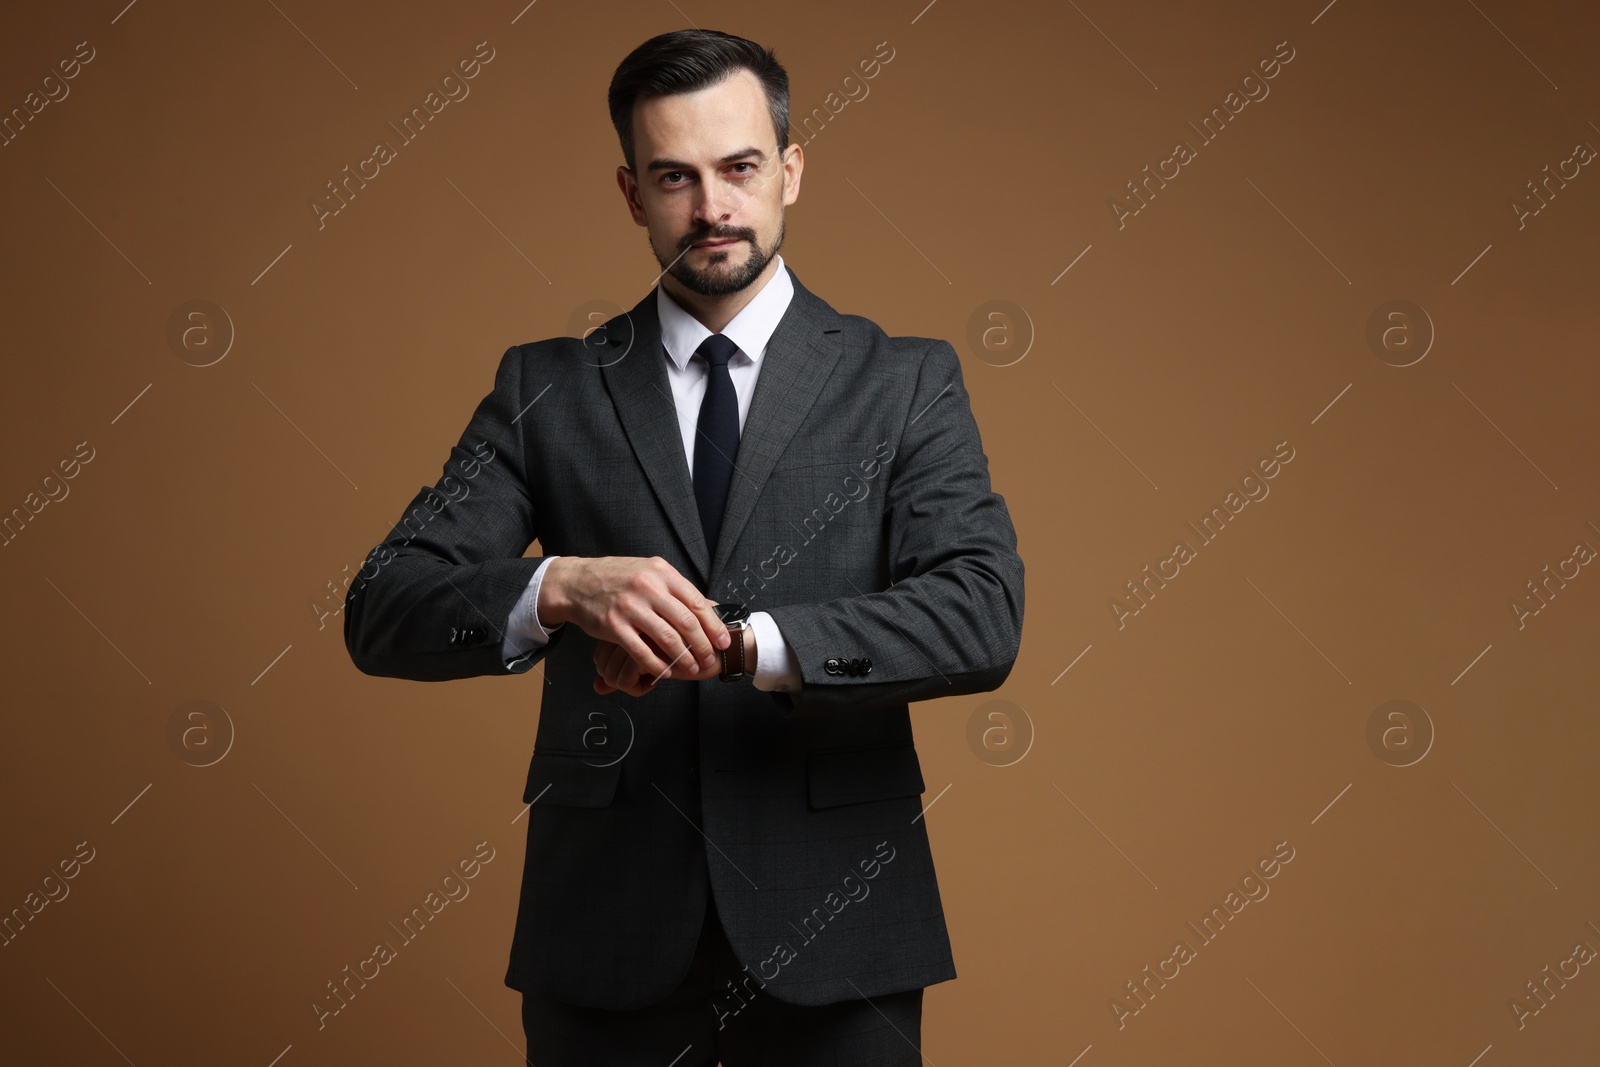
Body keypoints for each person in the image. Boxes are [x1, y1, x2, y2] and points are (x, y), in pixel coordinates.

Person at [343, 27, 1024, 1067]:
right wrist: (557, 584)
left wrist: (748, 642)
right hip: (604, 939)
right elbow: (384, 603)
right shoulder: (547, 389)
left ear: (790, 171)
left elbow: (979, 613)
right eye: (675, 177)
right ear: (631, 193)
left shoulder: (904, 381)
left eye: (740, 167)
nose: (711, 208)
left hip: (839, 932)